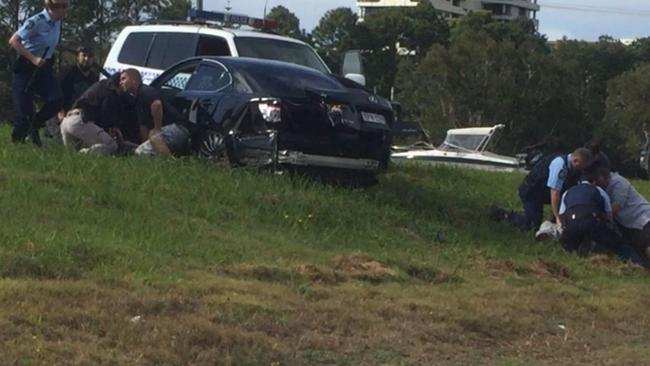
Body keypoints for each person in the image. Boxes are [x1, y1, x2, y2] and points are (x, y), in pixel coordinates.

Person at [8, 0, 68, 146]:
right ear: (54, 8)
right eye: (63, 7)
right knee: (24, 111)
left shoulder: (57, 23)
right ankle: (17, 142)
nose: (65, 11)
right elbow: (14, 41)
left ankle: (35, 124)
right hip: (26, 66)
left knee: (56, 99)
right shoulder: (35, 22)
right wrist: (33, 58)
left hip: (44, 67)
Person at [490, 148, 593, 230]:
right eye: (582, 167)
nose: (582, 170)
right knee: (532, 224)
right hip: (532, 192)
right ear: (576, 161)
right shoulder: (560, 165)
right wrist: (558, 217)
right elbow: (555, 193)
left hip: (543, 193)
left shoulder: (571, 166)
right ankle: (504, 215)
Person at [59, 75, 129, 154]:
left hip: (67, 121)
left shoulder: (100, 85)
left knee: (72, 155)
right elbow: (104, 116)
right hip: (81, 121)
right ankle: (83, 153)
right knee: (112, 146)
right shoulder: (111, 93)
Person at [600, 167, 650, 262]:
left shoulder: (618, 182)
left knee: (647, 242)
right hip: (632, 224)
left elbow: (616, 207)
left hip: (643, 218)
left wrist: (599, 214)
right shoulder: (603, 187)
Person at [59, 46, 100, 112]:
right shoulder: (68, 71)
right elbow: (57, 92)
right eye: (83, 55)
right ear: (77, 57)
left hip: (83, 114)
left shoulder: (95, 77)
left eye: (90, 56)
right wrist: (59, 111)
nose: (86, 59)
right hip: (64, 112)